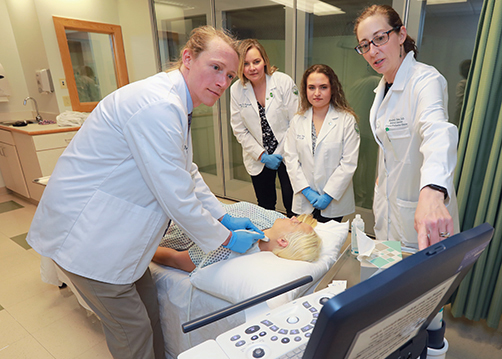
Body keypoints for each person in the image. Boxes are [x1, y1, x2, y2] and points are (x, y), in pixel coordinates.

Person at [26, 26, 264, 359]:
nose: (223, 82)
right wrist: (225, 237)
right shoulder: (157, 105)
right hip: (88, 240)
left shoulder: (176, 105)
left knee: (151, 311)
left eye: (229, 75)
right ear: (188, 58)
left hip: (116, 236)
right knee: (133, 331)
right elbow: (176, 194)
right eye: (215, 68)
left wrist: (224, 215)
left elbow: (186, 170)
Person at [353, 5, 459, 250]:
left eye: (380, 38)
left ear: (401, 35)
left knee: (422, 283)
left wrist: (433, 191)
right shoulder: (382, 88)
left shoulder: (425, 81)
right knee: (390, 278)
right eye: (365, 45)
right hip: (388, 211)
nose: (372, 51)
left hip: (417, 214)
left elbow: (437, 131)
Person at [230, 39, 298, 217]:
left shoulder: (283, 82)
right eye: (245, 64)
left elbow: (296, 121)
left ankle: (294, 241)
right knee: (265, 206)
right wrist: (262, 155)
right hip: (258, 156)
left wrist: (280, 151)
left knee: (293, 203)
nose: (252, 68)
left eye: (256, 61)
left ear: (265, 61)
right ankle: (271, 240)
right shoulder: (236, 90)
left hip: (287, 151)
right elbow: (239, 129)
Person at [284, 64, 360, 223]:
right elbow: (290, 158)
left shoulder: (346, 120)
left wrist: (328, 195)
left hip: (333, 199)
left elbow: (348, 162)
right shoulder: (298, 120)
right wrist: (305, 190)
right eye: (311, 87)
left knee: (329, 243)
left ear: (332, 89)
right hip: (304, 198)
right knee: (305, 243)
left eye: (323, 87)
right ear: (305, 90)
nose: (317, 93)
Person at [152, 202, 322, 273]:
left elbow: (175, 259)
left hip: (168, 220)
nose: (293, 218)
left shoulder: (230, 251)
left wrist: (142, 250)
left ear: (283, 241)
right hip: (194, 202)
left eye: (296, 223)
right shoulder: (273, 218)